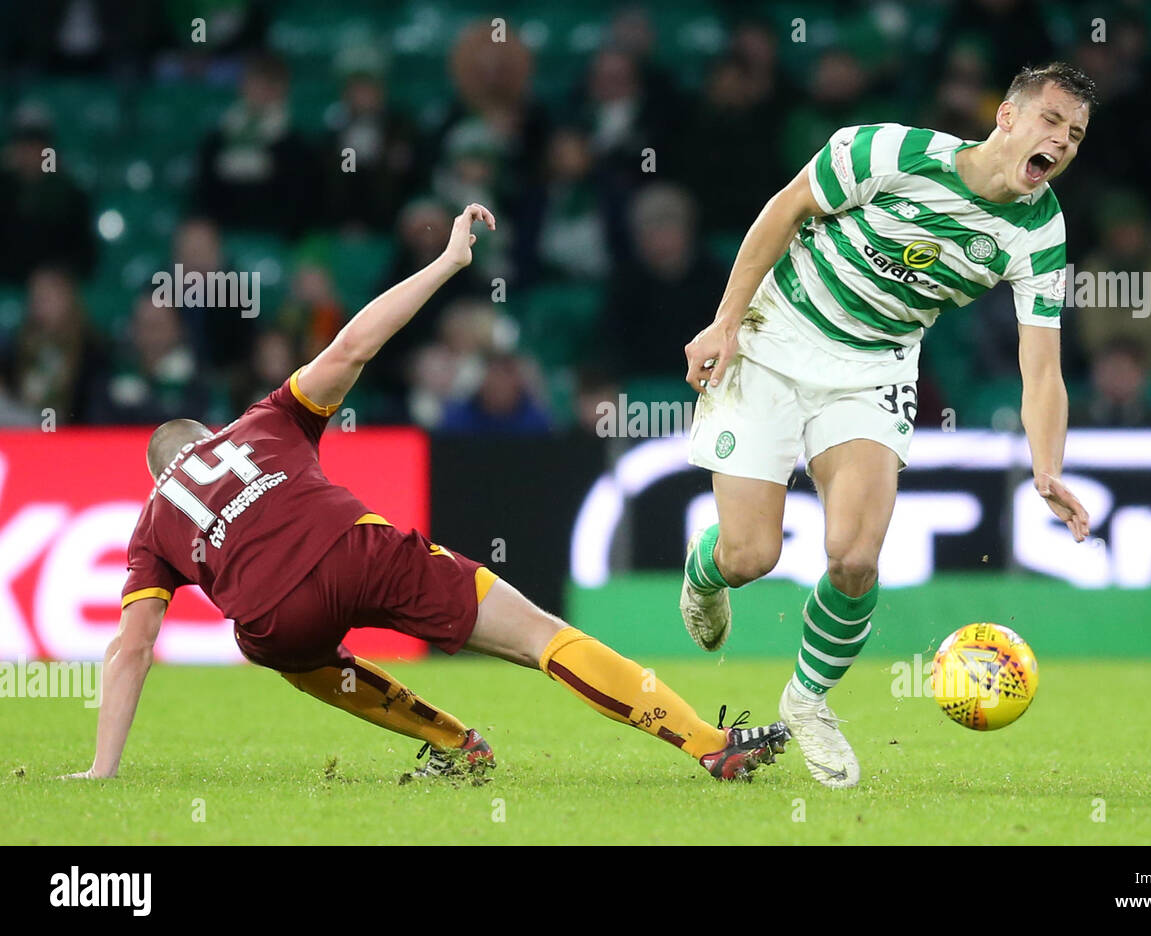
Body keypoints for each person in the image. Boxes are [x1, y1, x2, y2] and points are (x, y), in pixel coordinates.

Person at [63, 204, 788, 784]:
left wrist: (102, 769)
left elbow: (132, 647)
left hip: (277, 620)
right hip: (354, 547)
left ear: (161, 475)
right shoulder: (263, 420)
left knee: (278, 650)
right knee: (539, 636)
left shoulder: (154, 523)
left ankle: (454, 742)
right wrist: (446, 263)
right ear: (210, 433)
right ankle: (706, 742)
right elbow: (352, 345)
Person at [680, 63, 1095, 788]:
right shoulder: (890, 153)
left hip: (873, 372)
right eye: (1050, 122)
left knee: (855, 556)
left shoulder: (1041, 230)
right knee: (752, 556)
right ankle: (706, 568)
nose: (1060, 143)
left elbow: (1042, 367)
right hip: (774, 339)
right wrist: (723, 322)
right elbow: (784, 209)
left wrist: (1047, 465)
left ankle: (807, 701)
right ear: (1006, 117)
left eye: (1076, 136)